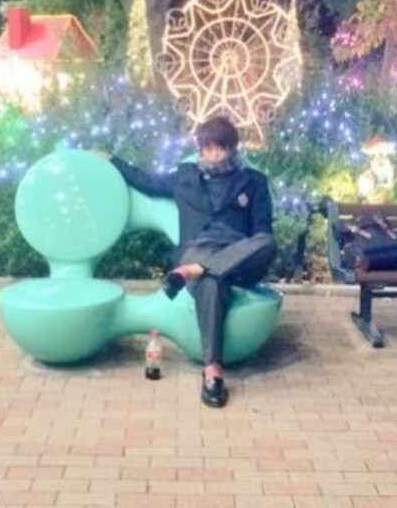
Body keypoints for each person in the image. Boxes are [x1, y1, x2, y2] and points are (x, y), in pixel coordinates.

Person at [104, 115, 277, 408]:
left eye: (219, 148)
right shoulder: (185, 176)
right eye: (207, 148)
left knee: (267, 242)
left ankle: (195, 271)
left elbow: (262, 232)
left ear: (232, 148)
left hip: (238, 255)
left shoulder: (254, 181)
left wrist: (217, 263)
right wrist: (112, 160)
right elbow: (146, 181)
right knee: (210, 284)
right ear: (200, 148)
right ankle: (212, 370)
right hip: (198, 250)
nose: (213, 154)